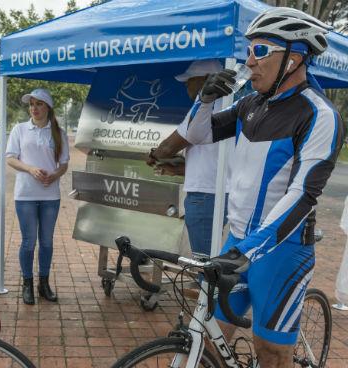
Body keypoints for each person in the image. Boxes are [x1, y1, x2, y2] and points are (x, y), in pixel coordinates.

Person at [183, 8, 345, 367]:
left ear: (294, 58)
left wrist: (251, 250)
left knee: (270, 353)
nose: (248, 61)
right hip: (238, 240)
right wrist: (205, 99)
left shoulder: (319, 115)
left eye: (260, 51)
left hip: (282, 251)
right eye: (248, 51)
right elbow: (197, 135)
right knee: (207, 336)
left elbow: (303, 194)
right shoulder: (251, 104)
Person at [147, 60, 227, 258]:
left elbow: (168, 147)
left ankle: (207, 289)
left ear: (206, 80)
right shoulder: (230, 106)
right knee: (214, 260)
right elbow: (212, 159)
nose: (185, 85)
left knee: (205, 263)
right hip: (219, 193)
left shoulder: (203, 110)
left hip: (205, 197)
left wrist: (153, 156)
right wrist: (177, 168)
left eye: (189, 80)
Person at [6, 88, 69, 305]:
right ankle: (27, 284)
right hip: (25, 195)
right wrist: (30, 168)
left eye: (39, 104)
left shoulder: (58, 133)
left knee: (47, 242)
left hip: (50, 196)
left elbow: (64, 165)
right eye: (31, 104)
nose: (34, 108)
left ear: (48, 107)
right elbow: (10, 158)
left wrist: (54, 176)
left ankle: (44, 284)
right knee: (28, 242)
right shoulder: (20, 129)